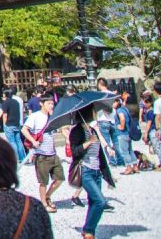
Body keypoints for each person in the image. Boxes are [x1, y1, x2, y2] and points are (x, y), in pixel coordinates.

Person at [70, 105, 116, 239]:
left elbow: (99, 154)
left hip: (96, 171)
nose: (96, 114)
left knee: (93, 202)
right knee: (100, 201)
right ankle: (89, 229)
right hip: (85, 169)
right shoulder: (77, 132)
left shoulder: (92, 130)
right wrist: (88, 142)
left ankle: (89, 231)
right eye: (94, 112)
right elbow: (75, 152)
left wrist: (108, 174)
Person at [21, 97, 63, 213]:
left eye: (52, 103)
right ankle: (44, 203)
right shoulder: (35, 116)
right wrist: (33, 141)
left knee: (59, 178)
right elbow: (24, 130)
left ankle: (48, 196)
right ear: (41, 104)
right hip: (41, 154)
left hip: (52, 152)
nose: (51, 106)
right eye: (49, 103)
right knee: (43, 181)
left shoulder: (52, 117)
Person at [1, 88, 26, 165]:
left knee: (12, 142)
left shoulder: (5, 102)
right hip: (16, 123)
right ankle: (23, 158)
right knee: (18, 141)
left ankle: (16, 159)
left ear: (5, 95)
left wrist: (4, 124)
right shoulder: (16, 102)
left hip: (9, 124)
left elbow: (5, 115)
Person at [113, 96, 134, 175]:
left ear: (117, 102)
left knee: (124, 151)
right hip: (129, 132)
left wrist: (121, 126)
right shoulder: (125, 109)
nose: (112, 104)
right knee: (130, 150)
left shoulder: (119, 110)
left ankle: (128, 167)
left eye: (114, 102)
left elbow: (122, 119)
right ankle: (135, 166)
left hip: (123, 133)